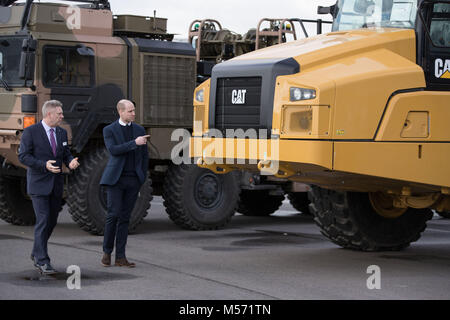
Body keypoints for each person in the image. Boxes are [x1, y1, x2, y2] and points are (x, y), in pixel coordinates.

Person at [18, 100, 80, 274]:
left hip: (56, 185)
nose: (62, 116)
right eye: (59, 113)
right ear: (49, 114)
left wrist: (71, 161)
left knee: (51, 222)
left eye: (61, 113)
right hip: (38, 185)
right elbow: (23, 156)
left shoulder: (61, 132)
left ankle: (36, 251)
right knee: (43, 220)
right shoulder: (31, 132)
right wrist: (43, 165)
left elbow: (65, 153)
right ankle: (42, 261)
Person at [100, 99, 150, 268]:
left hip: (133, 180)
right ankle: (107, 252)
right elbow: (114, 150)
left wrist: (141, 176)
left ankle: (121, 257)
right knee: (113, 214)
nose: (133, 114)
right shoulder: (109, 130)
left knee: (125, 218)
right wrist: (134, 143)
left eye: (134, 110)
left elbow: (144, 156)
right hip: (116, 179)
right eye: (130, 111)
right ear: (120, 112)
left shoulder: (139, 130)